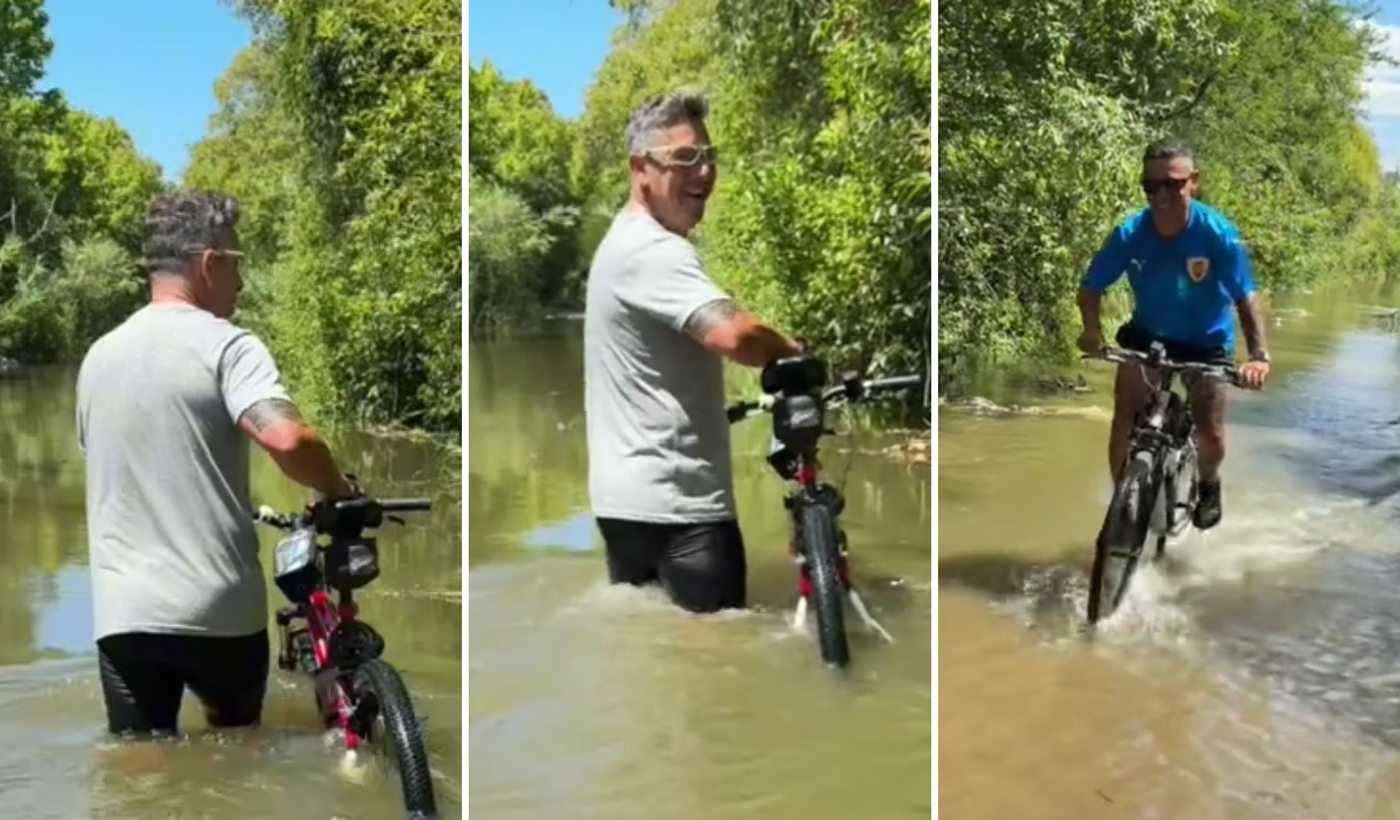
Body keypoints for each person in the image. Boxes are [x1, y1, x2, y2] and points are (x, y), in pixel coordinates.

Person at [76, 191, 357, 737]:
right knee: (237, 758)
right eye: (237, 264)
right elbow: (287, 438)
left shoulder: (97, 357)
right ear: (209, 264)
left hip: (122, 616)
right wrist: (338, 488)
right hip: (218, 614)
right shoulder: (228, 346)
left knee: (140, 765)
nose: (243, 282)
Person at [582, 91, 803, 614]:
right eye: (685, 159)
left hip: (622, 506)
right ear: (641, 167)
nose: (704, 171)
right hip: (681, 507)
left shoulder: (618, 244)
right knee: (722, 675)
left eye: (708, 157)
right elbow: (736, 337)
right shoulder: (654, 251)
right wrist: (792, 350)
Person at [1076, 141, 1270, 531]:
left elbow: (1245, 297)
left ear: (1192, 183)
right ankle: (1123, 508)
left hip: (1208, 343)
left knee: (1210, 434)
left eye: (1171, 184)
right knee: (1126, 415)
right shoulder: (1130, 233)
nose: (1160, 195)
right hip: (1147, 337)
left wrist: (1259, 356)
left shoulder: (1218, 235)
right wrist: (1092, 331)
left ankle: (1209, 483)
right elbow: (1091, 286)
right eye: (1151, 187)